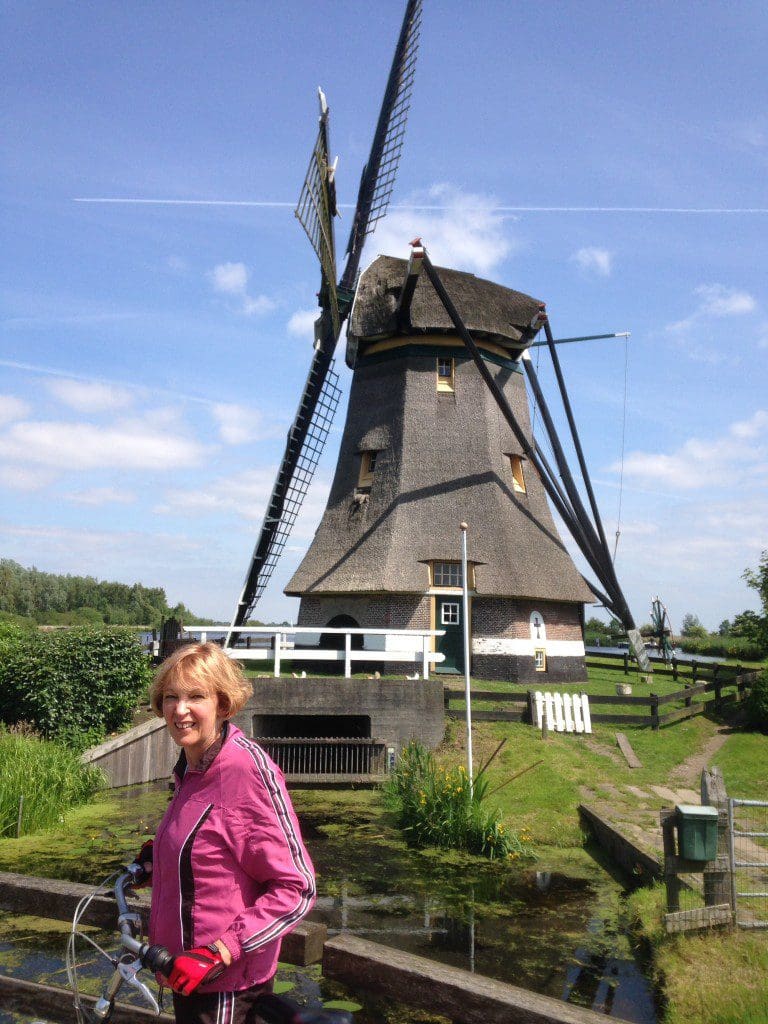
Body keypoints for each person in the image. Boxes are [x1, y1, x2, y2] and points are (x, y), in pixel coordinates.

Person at [131, 642, 316, 1024]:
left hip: (225, 987)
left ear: (223, 704)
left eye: (195, 696)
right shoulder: (191, 766)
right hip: (183, 973)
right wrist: (158, 859)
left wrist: (221, 951)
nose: (180, 710)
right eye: (171, 697)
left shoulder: (245, 770)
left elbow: (297, 888)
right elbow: (208, 849)